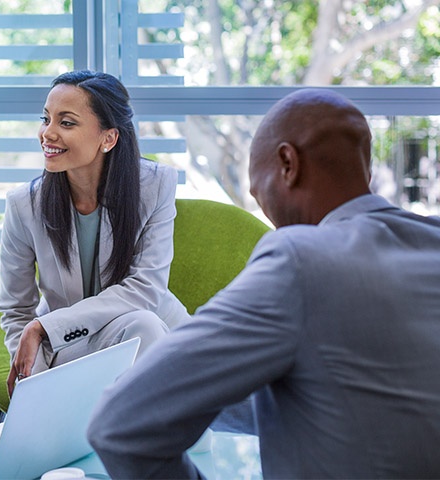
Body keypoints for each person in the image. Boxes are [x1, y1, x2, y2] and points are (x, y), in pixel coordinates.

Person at [87, 88, 440, 478]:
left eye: (260, 191)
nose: (267, 215)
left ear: (288, 163)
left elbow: (122, 423)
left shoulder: (300, 258)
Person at [0, 70, 189, 394]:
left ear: (108, 138)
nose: (48, 133)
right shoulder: (23, 205)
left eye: (66, 122)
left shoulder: (155, 186)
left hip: (154, 336)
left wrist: (47, 326)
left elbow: (145, 290)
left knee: (143, 325)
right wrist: (35, 382)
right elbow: (16, 309)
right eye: (46, 119)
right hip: (74, 348)